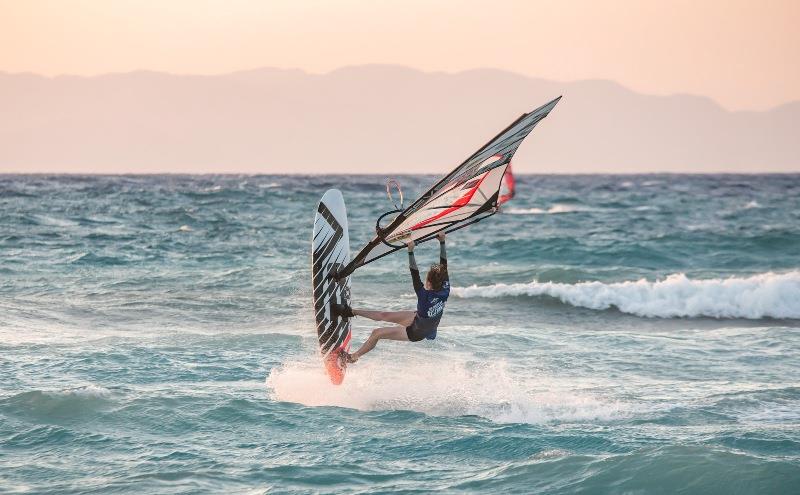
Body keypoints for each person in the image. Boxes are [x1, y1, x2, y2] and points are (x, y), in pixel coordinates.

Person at [333, 232, 450, 363]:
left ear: (428, 283)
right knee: (384, 315)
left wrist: (411, 251)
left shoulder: (424, 296)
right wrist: (442, 241)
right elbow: (443, 267)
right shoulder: (445, 290)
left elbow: (415, 274)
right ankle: (350, 312)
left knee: (377, 333)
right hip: (421, 320)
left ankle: (352, 357)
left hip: (415, 332)